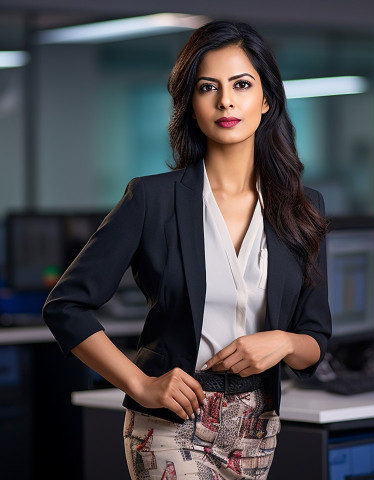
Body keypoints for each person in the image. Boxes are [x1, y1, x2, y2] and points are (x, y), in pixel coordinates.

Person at [43, 20, 332, 480]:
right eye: (207, 87)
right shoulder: (150, 199)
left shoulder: (303, 206)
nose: (226, 100)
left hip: (257, 428)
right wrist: (140, 383)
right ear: (190, 106)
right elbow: (65, 306)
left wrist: (282, 342)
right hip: (170, 425)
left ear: (266, 100)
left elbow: (315, 340)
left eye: (241, 84)